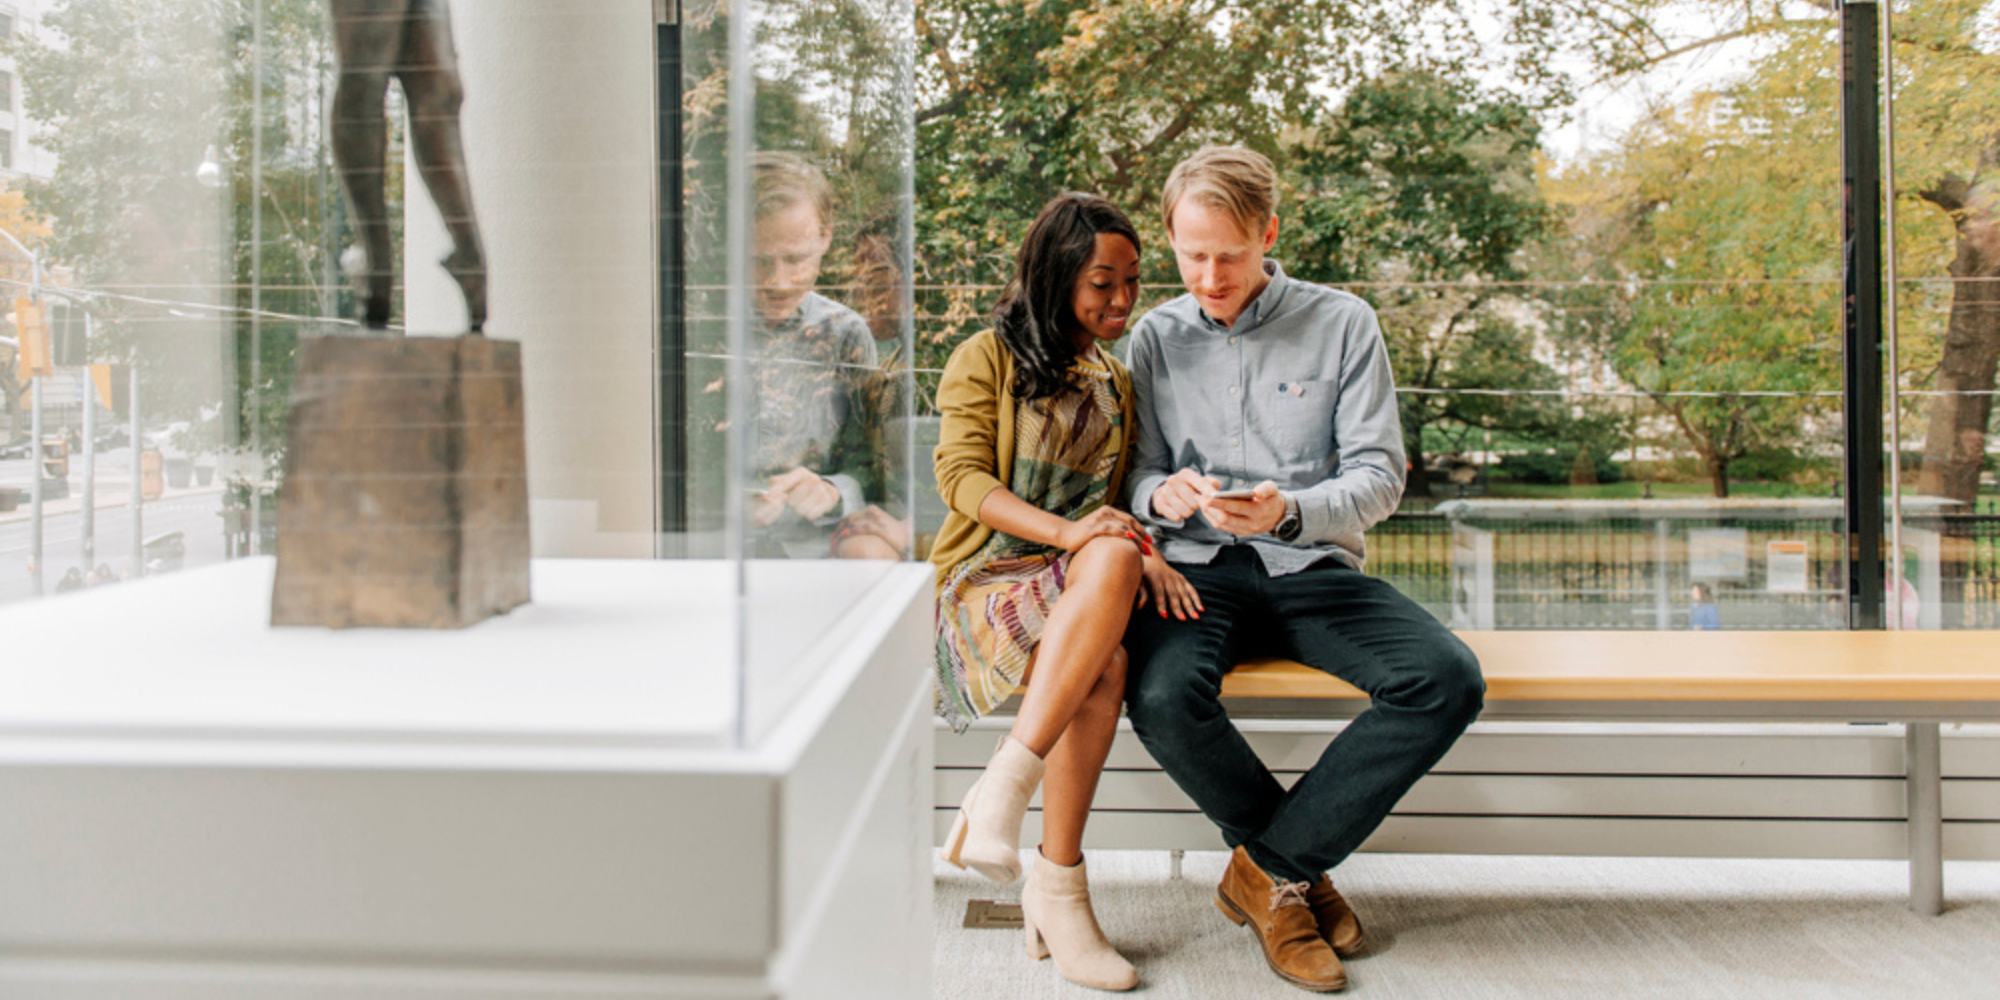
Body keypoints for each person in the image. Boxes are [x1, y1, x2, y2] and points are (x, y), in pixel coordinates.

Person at [1121, 146, 1486, 993]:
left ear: (1269, 234)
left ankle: (1266, 871)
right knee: (1163, 697)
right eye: (1191, 254)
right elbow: (1133, 475)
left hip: (1311, 564)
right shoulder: (1155, 338)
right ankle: (1295, 877)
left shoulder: (1344, 322)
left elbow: (1379, 477)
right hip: (1196, 572)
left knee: (1445, 678)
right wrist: (1162, 493)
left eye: (1229, 255)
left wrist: (1288, 511)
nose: (1208, 275)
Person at [933, 193, 1197, 992]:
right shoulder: (986, 355)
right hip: (981, 582)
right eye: (1100, 283)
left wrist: (1140, 550)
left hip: (1077, 581)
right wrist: (1077, 536)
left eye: (1132, 283)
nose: (1121, 301)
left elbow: (1116, 504)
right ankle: (1047, 867)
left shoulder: (1117, 379)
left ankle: (1031, 843)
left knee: (1111, 642)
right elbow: (960, 480)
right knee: (1105, 650)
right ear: (1056, 277)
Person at [745, 151, 894, 559]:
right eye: (758, 261)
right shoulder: (701, 326)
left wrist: (832, 489)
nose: (777, 281)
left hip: (814, 547)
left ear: (825, 237)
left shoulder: (845, 333)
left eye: (795, 259)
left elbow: (873, 467)